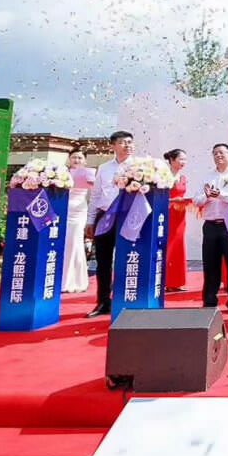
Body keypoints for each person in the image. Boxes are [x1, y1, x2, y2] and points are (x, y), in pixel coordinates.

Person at [84, 130, 135, 317]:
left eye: (130, 142)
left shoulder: (140, 167)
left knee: (128, 259)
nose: (127, 145)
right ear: (112, 146)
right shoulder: (104, 168)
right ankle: (103, 302)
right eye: (122, 142)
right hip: (105, 217)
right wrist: (91, 220)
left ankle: (125, 300)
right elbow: (96, 195)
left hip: (129, 219)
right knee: (103, 261)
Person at [194, 143, 228, 310]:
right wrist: (206, 196)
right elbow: (196, 200)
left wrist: (221, 195)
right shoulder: (208, 176)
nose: (218, 156)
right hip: (210, 225)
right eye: (215, 153)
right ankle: (209, 301)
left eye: (222, 153)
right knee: (210, 264)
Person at [61, 149, 92, 293]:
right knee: (64, 244)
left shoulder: (88, 173)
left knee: (75, 243)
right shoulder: (61, 173)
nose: (76, 160)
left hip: (78, 212)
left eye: (80, 158)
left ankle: (76, 282)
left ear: (85, 160)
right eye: (74, 157)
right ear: (69, 159)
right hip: (62, 210)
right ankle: (63, 280)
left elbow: (95, 190)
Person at [163, 149, 189, 292]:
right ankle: (166, 281)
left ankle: (178, 281)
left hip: (180, 214)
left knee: (179, 245)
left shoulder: (183, 177)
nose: (183, 162)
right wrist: (173, 200)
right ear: (172, 160)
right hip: (167, 213)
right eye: (180, 159)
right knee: (168, 245)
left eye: (185, 159)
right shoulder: (163, 176)